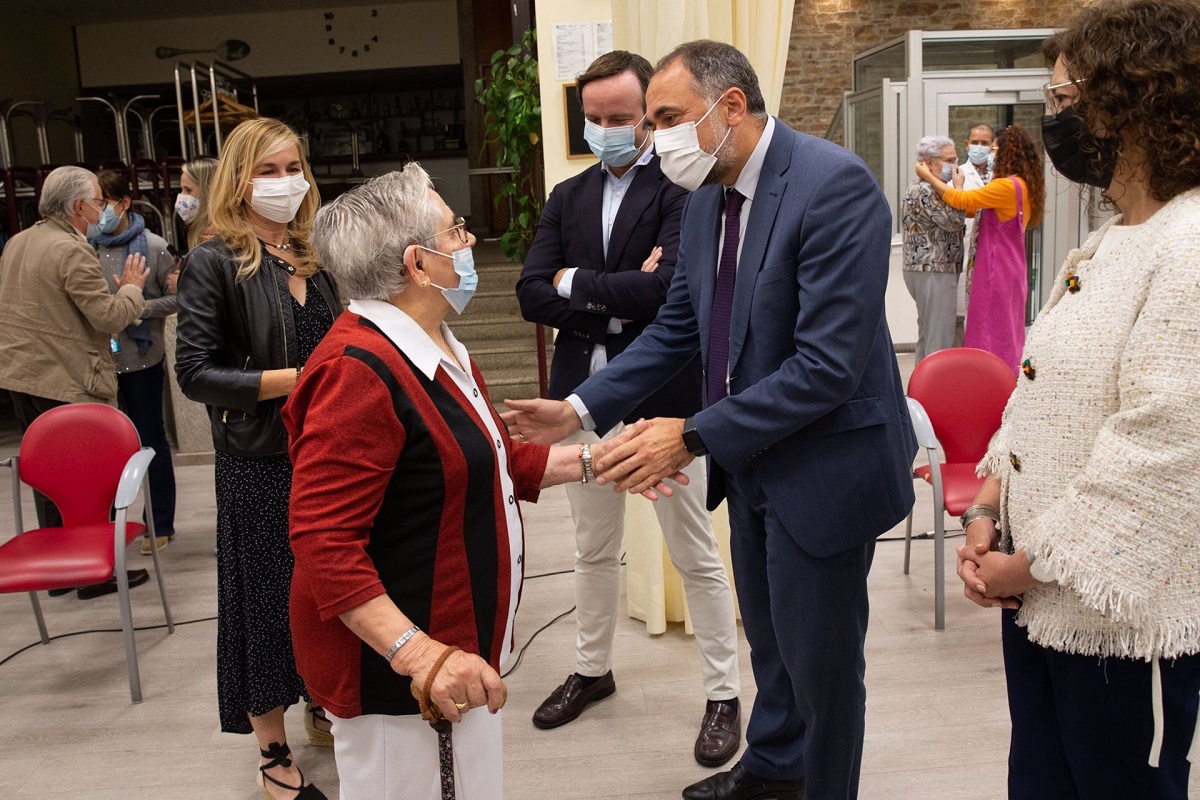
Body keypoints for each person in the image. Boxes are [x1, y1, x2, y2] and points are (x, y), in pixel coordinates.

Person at [504, 40, 917, 800]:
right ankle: (771, 771)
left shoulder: (833, 186)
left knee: (824, 669)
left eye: (667, 118)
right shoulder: (703, 203)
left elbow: (827, 366)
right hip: (753, 461)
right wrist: (579, 408)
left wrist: (690, 434)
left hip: (823, 469)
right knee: (772, 646)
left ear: (731, 107)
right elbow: (678, 331)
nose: (654, 138)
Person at [285, 165, 657, 800]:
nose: (468, 240)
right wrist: (417, 654)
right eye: (454, 230)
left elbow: (491, 458)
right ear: (417, 264)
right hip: (399, 674)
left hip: (458, 647)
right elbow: (323, 543)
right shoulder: (358, 371)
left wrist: (602, 460)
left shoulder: (434, 343)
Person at [956, 2, 1200, 797]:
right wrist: (986, 508)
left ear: (1140, 102)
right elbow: (1039, 400)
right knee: (1042, 778)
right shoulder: (1114, 236)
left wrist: (1024, 565)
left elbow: (1161, 450)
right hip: (1042, 598)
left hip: (1120, 624)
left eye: (1066, 101)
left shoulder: (1188, 244)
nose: (1055, 121)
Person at [514, 50, 742, 766]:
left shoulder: (683, 188)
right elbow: (529, 293)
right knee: (591, 548)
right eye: (594, 119)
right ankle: (591, 669)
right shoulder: (567, 195)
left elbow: (672, 292)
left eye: (621, 118)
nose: (607, 130)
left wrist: (576, 283)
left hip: (667, 405)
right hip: (583, 397)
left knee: (693, 551)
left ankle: (723, 691)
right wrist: (615, 291)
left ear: (647, 117)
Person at [175, 117, 338, 800]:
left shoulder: (317, 254)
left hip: (330, 455)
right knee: (267, 604)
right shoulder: (215, 261)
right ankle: (273, 751)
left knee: (333, 592)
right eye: (267, 171)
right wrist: (288, 382)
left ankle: (325, 696)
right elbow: (194, 372)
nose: (284, 183)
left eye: (292, 167)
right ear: (239, 181)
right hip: (260, 460)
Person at [0, 165, 151, 600]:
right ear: (78, 206)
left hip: (21, 373)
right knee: (85, 475)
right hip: (64, 376)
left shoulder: (19, 241)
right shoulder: (71, 251)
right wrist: (132, 289)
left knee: (48, 475)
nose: (102, 208)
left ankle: (59, 571)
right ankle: (92, 573)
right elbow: (107, 317)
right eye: (98, 201)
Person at [91, 169, 179, 555]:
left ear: (124, 203)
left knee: (150, 440)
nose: (100, 212)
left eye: (105, 202)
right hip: (99, 362)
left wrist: (136, 307)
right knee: (104, 447)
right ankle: (104, 527)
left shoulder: (154, 247)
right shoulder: (85, 246)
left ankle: (160, 522)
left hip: (142, 358)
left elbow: (178, 299)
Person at [917, 123, 1045, 377]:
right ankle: (1005, 380)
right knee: (1008, 332)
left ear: (1008, 153)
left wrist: (928, 176)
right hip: (1012, 270)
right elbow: (973, 208)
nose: (990, 154)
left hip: (995, 272)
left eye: (995, 149)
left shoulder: (1006, 187)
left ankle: (988, 382)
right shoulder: (1023, 185)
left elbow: (962, 201)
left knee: (989, 332)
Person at [901, 135, 965, 364]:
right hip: (934, 267)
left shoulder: (930, 188)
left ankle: (921, 394)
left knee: (928, 336)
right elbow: (954, 221)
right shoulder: (926, 190)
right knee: (939, 339)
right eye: (949, 160)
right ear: (929, 163)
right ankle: (935, 396)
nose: (955, 166)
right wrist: (959, 188)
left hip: (931, 268)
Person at [178, 156, 218, 249]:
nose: (181, 196)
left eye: (188, 190)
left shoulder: (216, 239)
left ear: (208, 191)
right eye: (181, 189)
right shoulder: (196, 231)